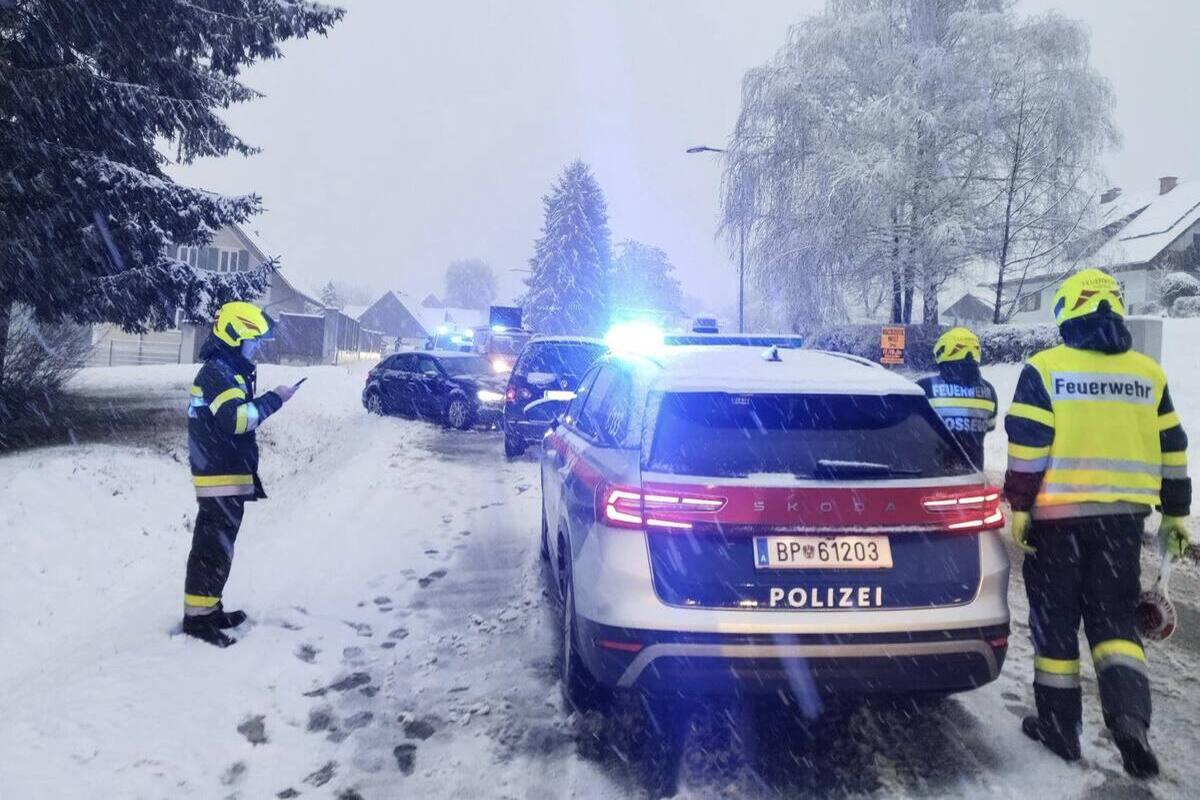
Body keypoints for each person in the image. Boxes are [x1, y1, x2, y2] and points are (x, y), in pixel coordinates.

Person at [1004, 268, 1191, 778]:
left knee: (1056, 627)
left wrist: (1019, 505)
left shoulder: (1046, 369)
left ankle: (1061, 731)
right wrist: (1176, 511)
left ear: (1068, 313)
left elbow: (1027, 447)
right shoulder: (1148, 374)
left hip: (1057, 522)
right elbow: (1173, 448)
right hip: (1122, 526)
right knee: (1116, 624)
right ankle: (1130, 722)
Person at [183, 301, 298, 647]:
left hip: (225, 474)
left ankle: (210, 609)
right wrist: (274, 399)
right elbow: (235, 420)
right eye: (253, 340)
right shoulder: (219, 372)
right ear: (236, 337)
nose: (257, 346)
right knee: (212, 549)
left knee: (219, 549)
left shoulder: (228, 369)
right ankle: (198, 621)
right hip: (217, 475)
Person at [917, 326, 998, 469]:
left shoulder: (925, 388)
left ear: (943, 352)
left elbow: (909, 429)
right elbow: (990, 426)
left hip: (932, 474)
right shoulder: (989, 391)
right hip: (972, 476)